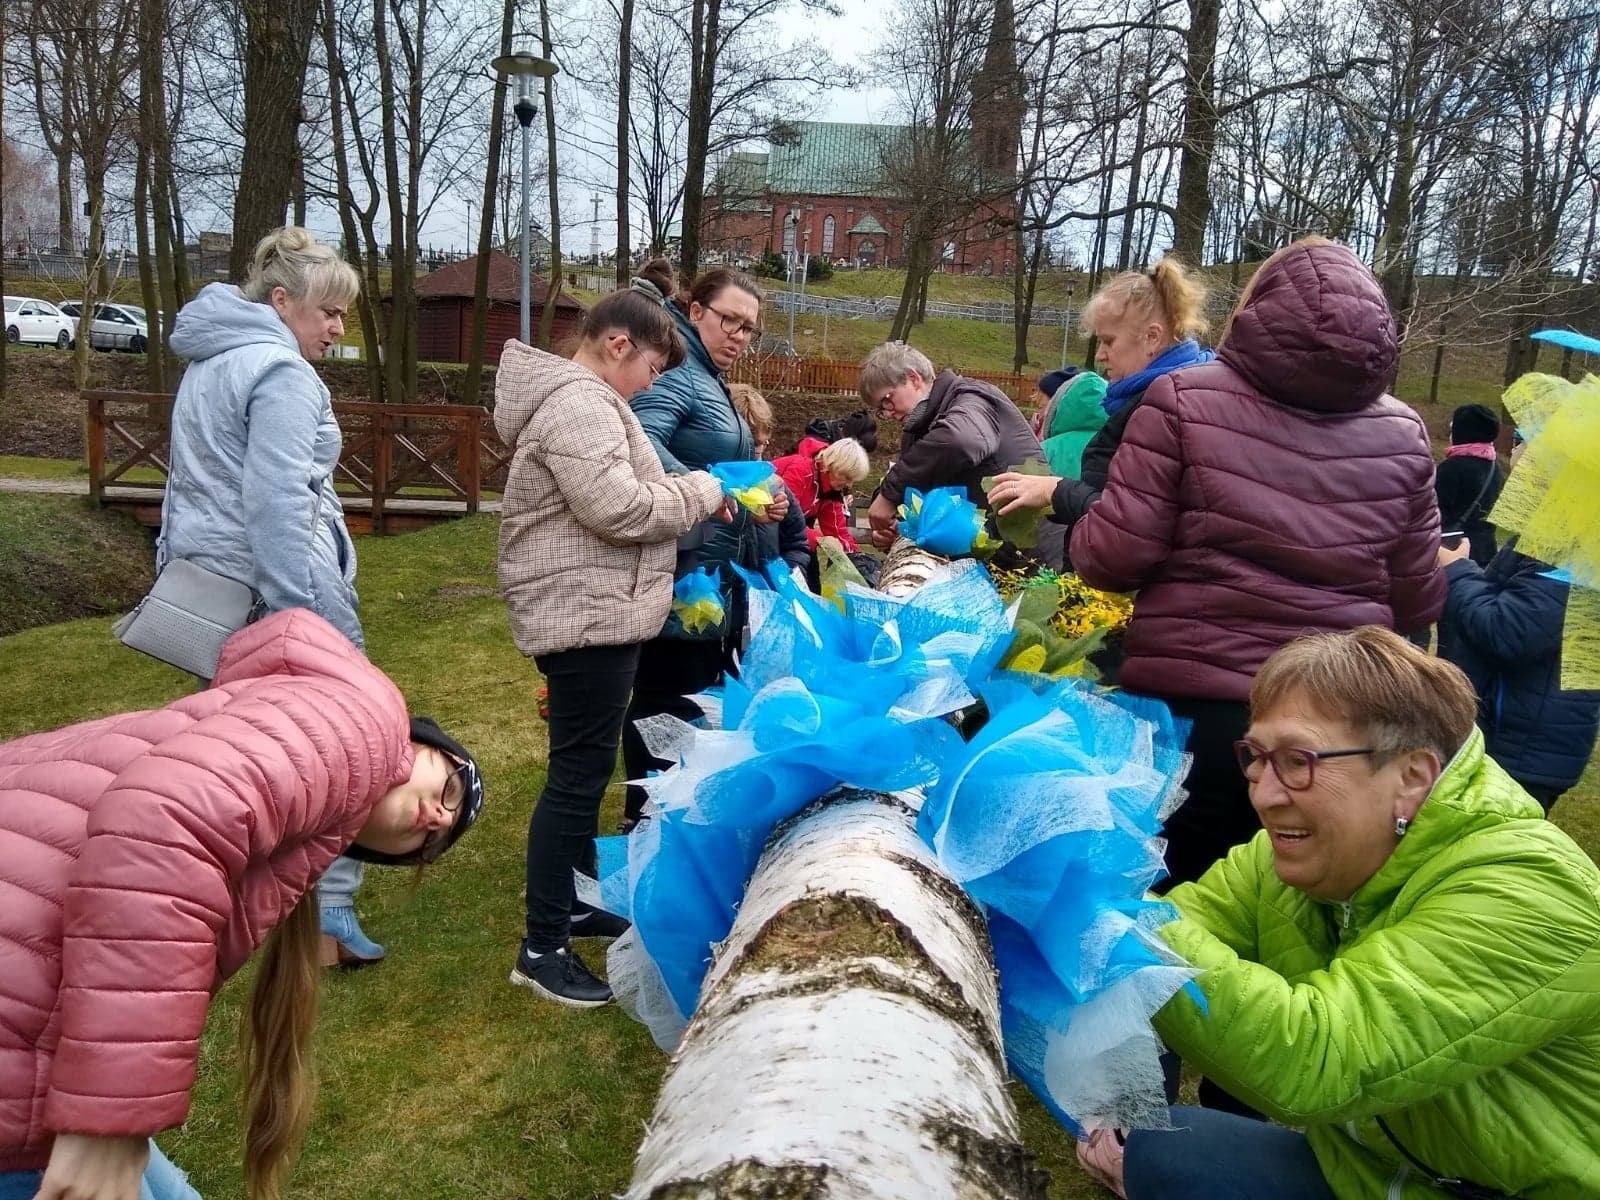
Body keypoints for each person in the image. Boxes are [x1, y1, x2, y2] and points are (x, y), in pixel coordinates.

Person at [1075, 625, 1600, 1199]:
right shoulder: (1285, 856)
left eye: (1298, 760)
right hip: (1372, 1173)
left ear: (1411, 777)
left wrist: (1094, 901)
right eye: (1256, 757)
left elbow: (1319, 1059)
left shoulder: (1527, 892)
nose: (1264, 794)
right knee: (1169, 1149)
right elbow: (1176, 936)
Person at [1005, 238, 1445, 890]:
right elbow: (1419, 601)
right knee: (1305, 908)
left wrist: (1076, 509)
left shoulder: (1181, 401)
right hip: (1338, 727)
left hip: (1200, 720)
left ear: (1257, 312)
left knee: (1174, 912)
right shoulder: (1405, 432)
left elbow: (1111, 557)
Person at [0, 609, 484, 1200]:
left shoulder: (304, 792)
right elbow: (163, 821)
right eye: (451, 789)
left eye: (434, 840)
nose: (435, 817)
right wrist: (110, 1125)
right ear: (423, 744)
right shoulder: (364, 724)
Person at [496, 283, 734, 1008]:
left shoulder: (593, 403)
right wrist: (701, 491)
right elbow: (620, 506)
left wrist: (695, 489)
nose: (653, 386)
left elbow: (635, 487)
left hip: (599, 612)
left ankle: (567, 905)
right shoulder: (579, 404)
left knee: (584, 766)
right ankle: (541, 947)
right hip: (584, 615)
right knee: (576, 777)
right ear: (618, 345)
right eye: (654, 371)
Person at [161, 225, 384, 969]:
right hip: (275, 592)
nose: (338, 328)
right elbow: (278, 504)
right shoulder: (281, 374)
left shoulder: (212, 361)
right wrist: (308, 619)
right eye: (328, 312)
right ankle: (328, 912)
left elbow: (195, 486)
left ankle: (226, 905)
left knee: (233, 754)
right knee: (340, 748)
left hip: (209, 590)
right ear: (283, 301)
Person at [620, 261, 789, 829]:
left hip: (714, 572)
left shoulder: (706, 375)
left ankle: (669, 824)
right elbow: (638, 437)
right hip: (680, 570)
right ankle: (645, 828)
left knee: (690, 703)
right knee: (666, 701)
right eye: (730, 321)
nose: (739, 336)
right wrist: (706, 491)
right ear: (696, 311)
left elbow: (722, 464)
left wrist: (764, 492)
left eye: (749, 328)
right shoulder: (673, 369)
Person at [987, 257, 1210, 541]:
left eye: (1109, 341)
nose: (1100, 355)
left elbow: (1128, 528)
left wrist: (1054, 491)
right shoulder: (1179, 397)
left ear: (1152, 337)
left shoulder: (1161, 411)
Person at [1437, 532, 1600, 812]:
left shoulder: (1579, 538)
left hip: (1516, 744)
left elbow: (1509, 630)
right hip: (1531, 736)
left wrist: (1457, 570)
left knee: (1482, 847)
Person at [859, 341, 1043, 552]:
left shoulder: (972, 399)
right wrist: (890, 526)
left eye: (887, 400)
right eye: (881, 409)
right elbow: (916, 484)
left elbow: (962, 441)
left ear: (913, 378)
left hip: (1026, 551)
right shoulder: (920, 432)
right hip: (991, 549)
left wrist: (890, 494)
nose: (888, 413)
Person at [729, 382, 811, 576]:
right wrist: (747, 516)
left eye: (763, 442)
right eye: (752, 442)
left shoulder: (776, 487)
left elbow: (797, 545)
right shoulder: (702, 484)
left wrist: (787, 580)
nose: (759, 449)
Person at [772, 431, 870, 553]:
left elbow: (838, 531)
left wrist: (856, 555)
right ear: (834, 467)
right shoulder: (801, 471)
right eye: (847, 477)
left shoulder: (830, 490)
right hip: (761, 525)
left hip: (784, 533)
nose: (849, 484)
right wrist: (820, 540)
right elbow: (786, 519)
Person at [1434, 403, 1505, 567]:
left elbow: (1435, 510)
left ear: (1463, 432)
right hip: (1486, 549)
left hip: (1454, 550)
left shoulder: (1452, 468)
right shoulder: (1495, 467)